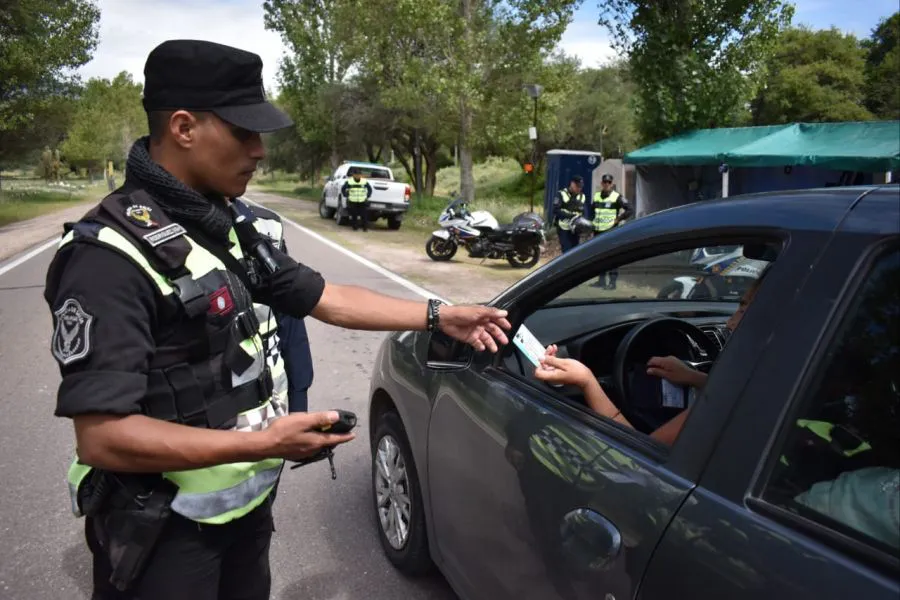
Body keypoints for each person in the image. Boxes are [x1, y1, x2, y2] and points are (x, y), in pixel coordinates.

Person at [43, 39, 511, 600]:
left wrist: (439, 315)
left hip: (245, 515)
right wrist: (263, 444)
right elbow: (103, 438)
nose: (260, 150)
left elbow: (323, 295)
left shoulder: (227, 223)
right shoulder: (107, 256)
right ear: (184, 127)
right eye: (243, 132)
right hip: (159, 537)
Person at [534, 267, 767, 446]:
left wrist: (587, 381)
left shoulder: (729, 401)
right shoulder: (771, 388)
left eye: (744, 308)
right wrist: (695, 378)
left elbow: (638, 449)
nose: (730, 321)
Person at [231, 197, 315, 412]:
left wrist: (298, 405)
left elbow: (290, 320)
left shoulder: (267, 224)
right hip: (209, 423)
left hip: (275, 402)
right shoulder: (152, 229)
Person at [590, 173, 634, 289]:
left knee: (611, 257)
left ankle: (612, 282)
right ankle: (601, 280)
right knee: (599, 257)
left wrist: (618, 219)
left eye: (608, 182)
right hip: (597, 230)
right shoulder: (597, 196)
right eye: (604, 182)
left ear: (612, 184)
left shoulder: (617, 196)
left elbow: (630, 210)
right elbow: (591, 212)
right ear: (601, 183)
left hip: (610, 230)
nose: (606, 184)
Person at [552, 175, 586, 253]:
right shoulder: (561, 194)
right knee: (566, 251)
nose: (579, 189)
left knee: (575, 251)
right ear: (572, 184)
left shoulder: (582, 196)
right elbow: (556, 210)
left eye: (580, 187)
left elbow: (584, 211)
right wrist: (572, 217)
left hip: (576, 229)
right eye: (577, 186)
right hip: (564, 228)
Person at [340, 167, 373, 232]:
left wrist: (368, 195)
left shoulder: (364, 181)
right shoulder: (349, 181)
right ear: (353, 175)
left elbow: (370, 189)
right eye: (356, 174)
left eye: (359, 174)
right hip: (352, 201)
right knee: (354, 215)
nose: (357, 176)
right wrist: (346, 195)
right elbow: (343, 189)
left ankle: (365, 228)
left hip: (362, 201)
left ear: (361, 175)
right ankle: (355, 227)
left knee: (364, 215)